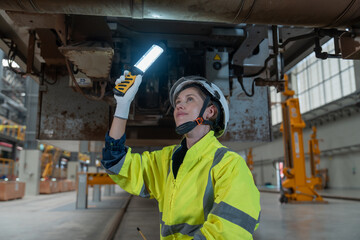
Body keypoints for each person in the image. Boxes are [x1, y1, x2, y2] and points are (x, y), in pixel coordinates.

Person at [102, 71, 261, 239]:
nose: (179, 105)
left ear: (210, 112)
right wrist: (122, 106)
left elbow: (230, 231)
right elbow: (116, 161)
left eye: (189, 99)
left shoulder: (230, 165)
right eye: (177, 102)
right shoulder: (165, 161)